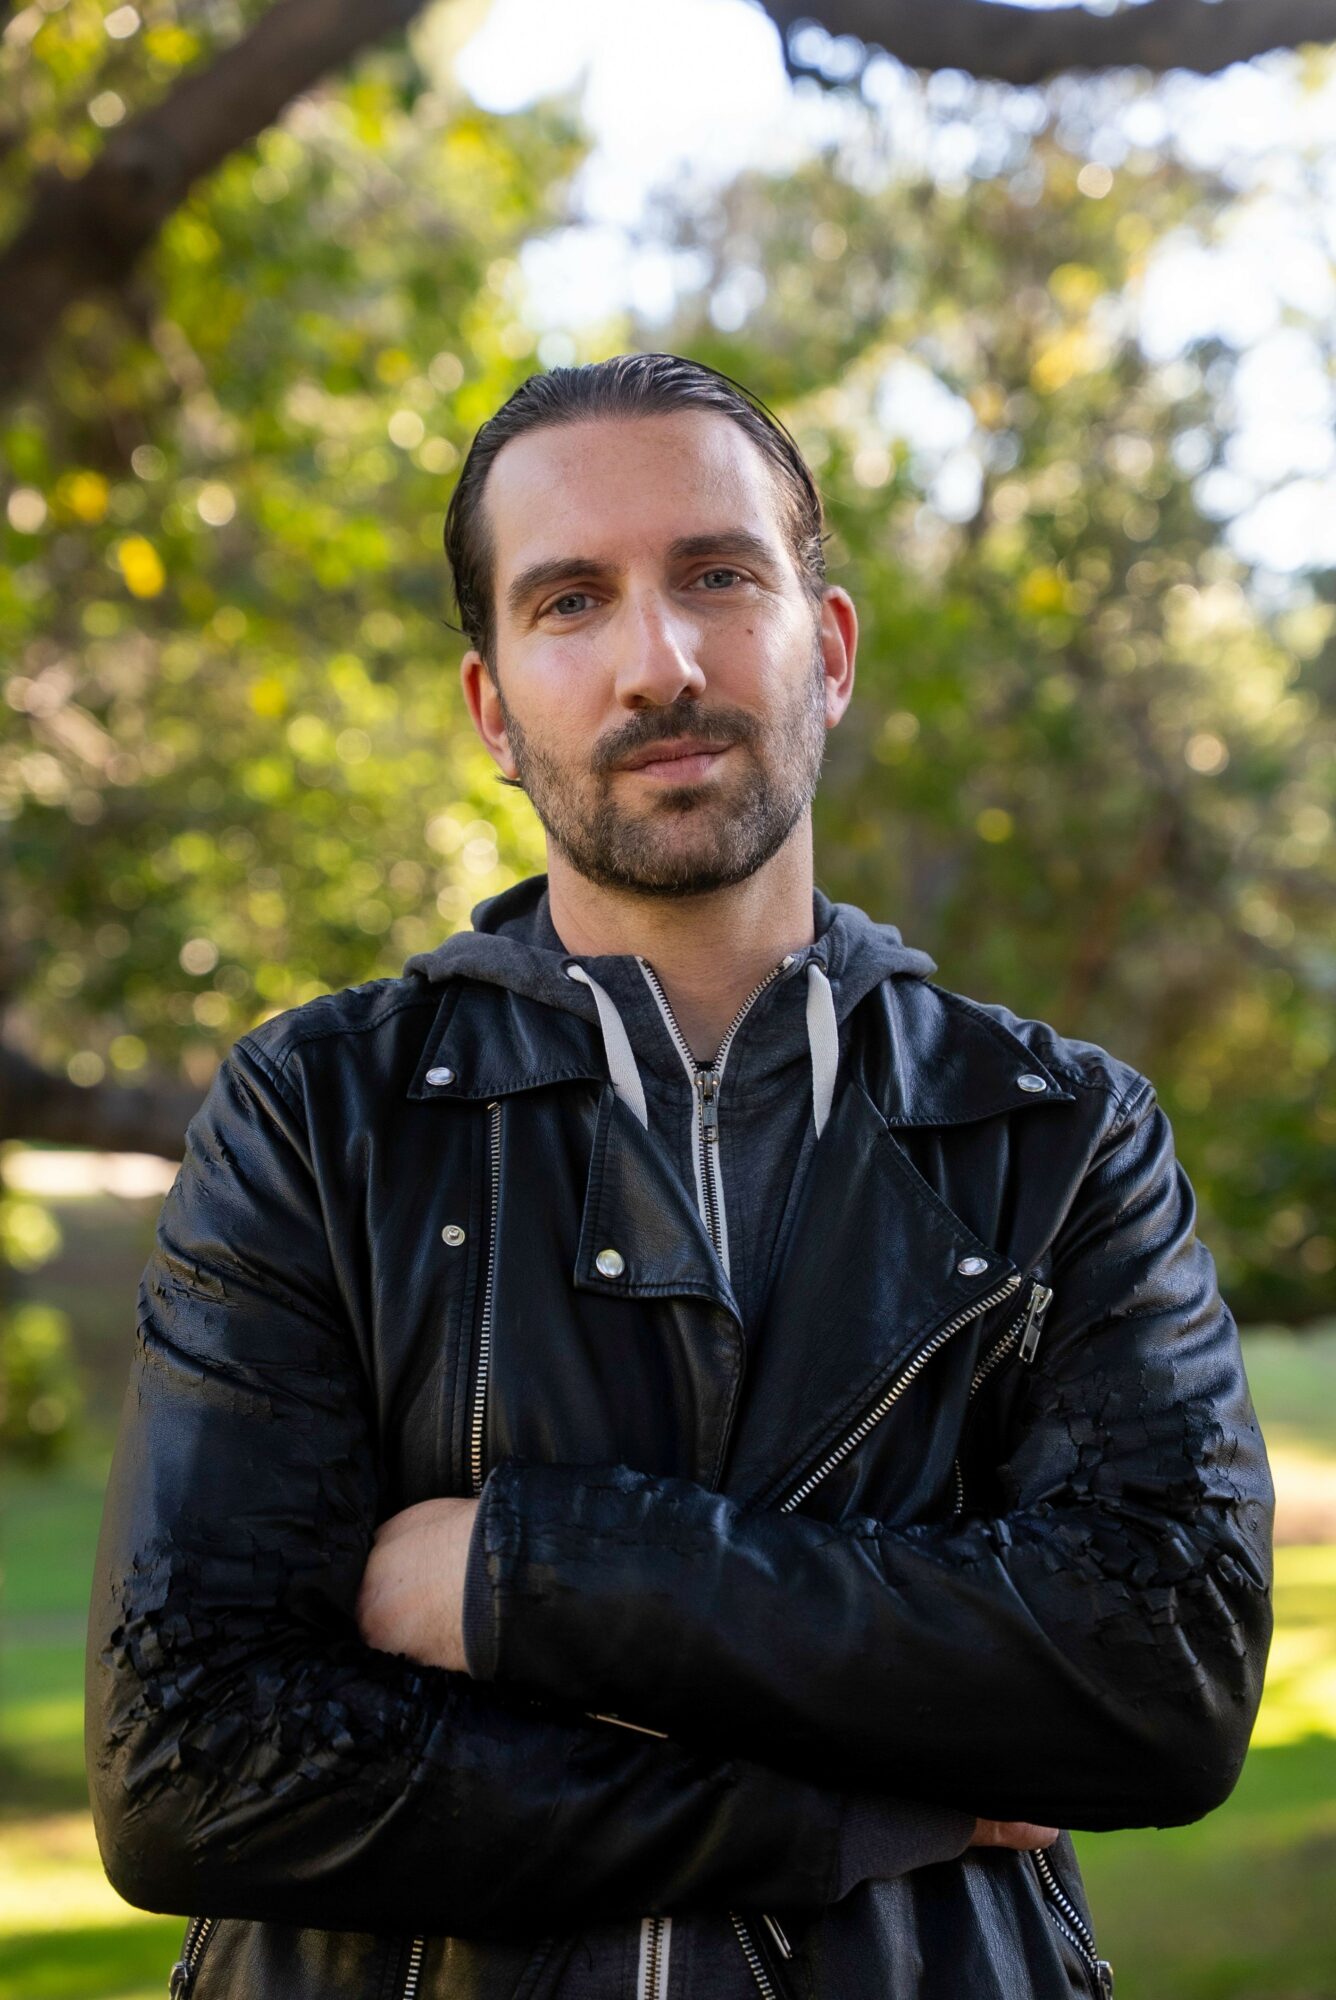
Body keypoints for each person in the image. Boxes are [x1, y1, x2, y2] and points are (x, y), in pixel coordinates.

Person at [87, 352, 1274, 2000]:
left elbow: (1165, 1673)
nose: (662, 661)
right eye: (571, 601)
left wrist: (521, 1577)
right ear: (493, 708)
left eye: (720, 576)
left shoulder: (1058, 1134)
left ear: (829, 648)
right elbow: (195, 1759)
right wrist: (840, 1805)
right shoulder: (317, 1115)